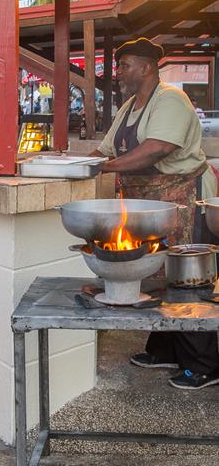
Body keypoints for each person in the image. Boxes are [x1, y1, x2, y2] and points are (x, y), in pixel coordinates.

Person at [93, 38, 219, 390]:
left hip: (182, 200)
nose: (119, 72)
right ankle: (165, 346)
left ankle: (204, 363)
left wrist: (102, 168)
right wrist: (77, 163)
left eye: (125, 65)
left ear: (147, 67)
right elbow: (105, 149)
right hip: (146, 203)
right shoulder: (130, 106)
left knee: (185, 274)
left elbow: (157, 149)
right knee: (157, 273)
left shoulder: (172, 100)